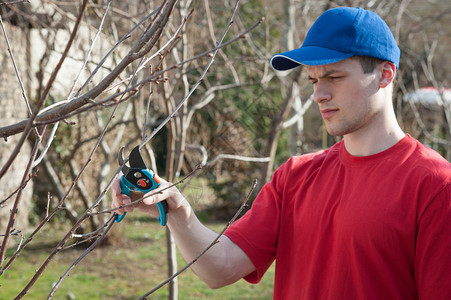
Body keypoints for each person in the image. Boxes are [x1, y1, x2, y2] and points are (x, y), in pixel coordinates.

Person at [112, 7, 451, 299]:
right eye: (313, 80)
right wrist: (174, 208)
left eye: (333, 76)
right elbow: (222, 268)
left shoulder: (435, 186)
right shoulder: (295, 176)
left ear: (384, 75)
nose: (319, 94)